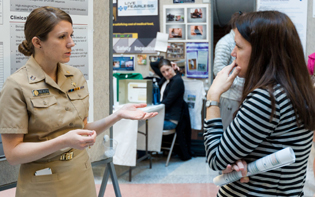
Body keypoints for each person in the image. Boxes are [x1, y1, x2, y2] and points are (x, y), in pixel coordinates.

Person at [0, 6, 157, 197]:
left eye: (71, 35)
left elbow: (83, 129)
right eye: (62, 37)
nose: (71, 43)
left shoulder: (74, 76)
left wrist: (117, 116)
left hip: (81, 175)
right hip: (43, 183)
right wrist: (63, 141)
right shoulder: (16, 85)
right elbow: (13, 154)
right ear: (37, 42)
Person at [204, 11, 315, 196]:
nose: (233, 53)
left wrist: (213, 97)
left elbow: (216, 158)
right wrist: (239, 161)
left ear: (263, 52)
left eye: (238, 47)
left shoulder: (267, 98)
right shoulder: (297, 90)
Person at [213, 12, 244, 131]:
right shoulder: (225, 42)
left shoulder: (239, 41)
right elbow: (218, 69)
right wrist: (236, 83)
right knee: (226, 131)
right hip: (229, 97)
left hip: (238, 96)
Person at [151, 58, 184, 130]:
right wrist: (169, 62)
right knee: (142, 123)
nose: (166, 73)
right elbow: (152, 64)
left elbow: (167, 102)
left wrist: (153, 110)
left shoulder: (177, 81)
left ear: (172, 67)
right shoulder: (166, 79)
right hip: (163, 117)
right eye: (163, 72)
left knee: (144, 125)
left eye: (168, 70)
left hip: (170, 121)